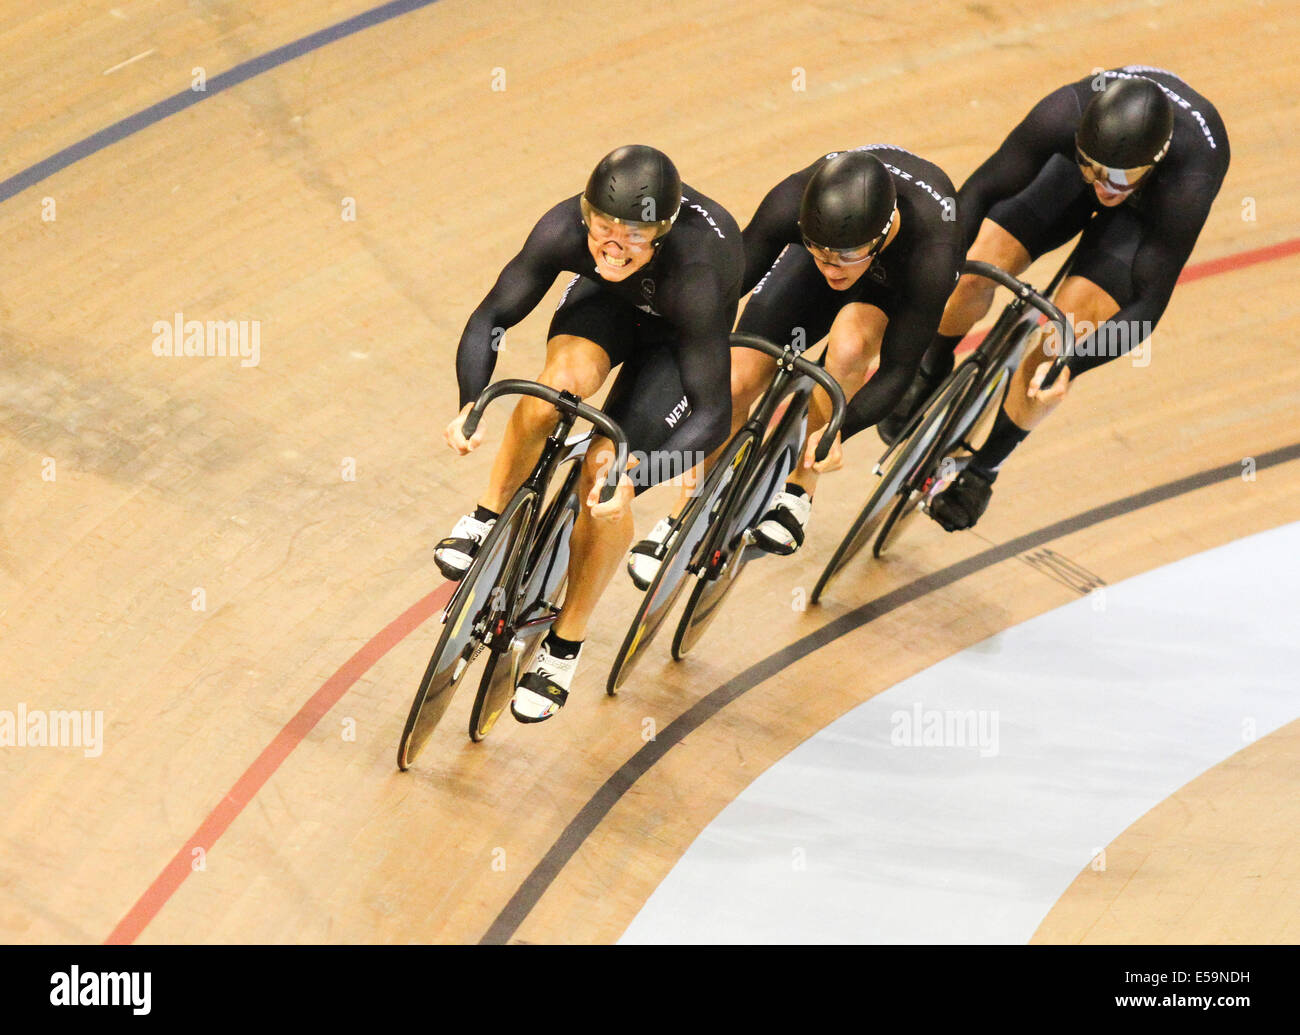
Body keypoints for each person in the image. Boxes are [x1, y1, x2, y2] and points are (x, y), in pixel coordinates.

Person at [438, 145, 744, 722]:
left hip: (676, 346)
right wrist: (470, 402)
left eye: (631, 235)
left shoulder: (698, 270)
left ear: (665, 230)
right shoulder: (564, 227)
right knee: (553, 388)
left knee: (606, 474)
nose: (610, 244)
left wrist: (640, 479)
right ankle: (487, 515)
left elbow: (712, 413)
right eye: (602, 226)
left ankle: (564, 645)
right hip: (608, 305)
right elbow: (492, 318)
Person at [882, 67, 1230, 531]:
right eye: (1097, 171)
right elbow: (981, 191)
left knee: (1057, 344)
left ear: (1155, 159)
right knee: (974, 269)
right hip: (1069, 172)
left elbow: (1147, 307)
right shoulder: (1063, 114)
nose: (1106, 187)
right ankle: (933, 361)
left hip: (1145, 216)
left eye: (1120, 179)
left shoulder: (1188, 181)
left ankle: (983, 470)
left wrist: (1071, 364)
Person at [627, 145, 961, 582]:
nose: (832, 269)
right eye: (821, 253)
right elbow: (729, 285)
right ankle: (686, 511)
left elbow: (898, 370)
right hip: (825, 254)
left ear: (880, 238)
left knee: (849, 348)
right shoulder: (793, 203)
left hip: (890, 284)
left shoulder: (932, 254)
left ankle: (799, 488)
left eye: (844, 256)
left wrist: (837, 430)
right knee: (737, 378)